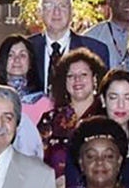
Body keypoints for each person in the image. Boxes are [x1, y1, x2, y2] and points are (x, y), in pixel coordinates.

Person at [62, 69, 129, 188]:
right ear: (103, 100)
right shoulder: (83, 138)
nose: (121, 105)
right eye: (113, 97)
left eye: (128, 97)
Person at [37, 49, 106, 180]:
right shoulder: (50, 120)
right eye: (71, 76)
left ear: (95, 79)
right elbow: (37, 162)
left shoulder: (106, 118)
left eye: (83, 74)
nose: (77, 80)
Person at [26, 0, 110, 91]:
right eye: (49, 6)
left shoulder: (95, 50)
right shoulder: (27, 48)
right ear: (39, 12)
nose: (56, 12)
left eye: (63, 6)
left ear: (72, 12)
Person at [0, 34, 51, 125]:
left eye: (22, 55)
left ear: (30, 63)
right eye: (11, 55)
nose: (17, 59)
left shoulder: (44, 103)